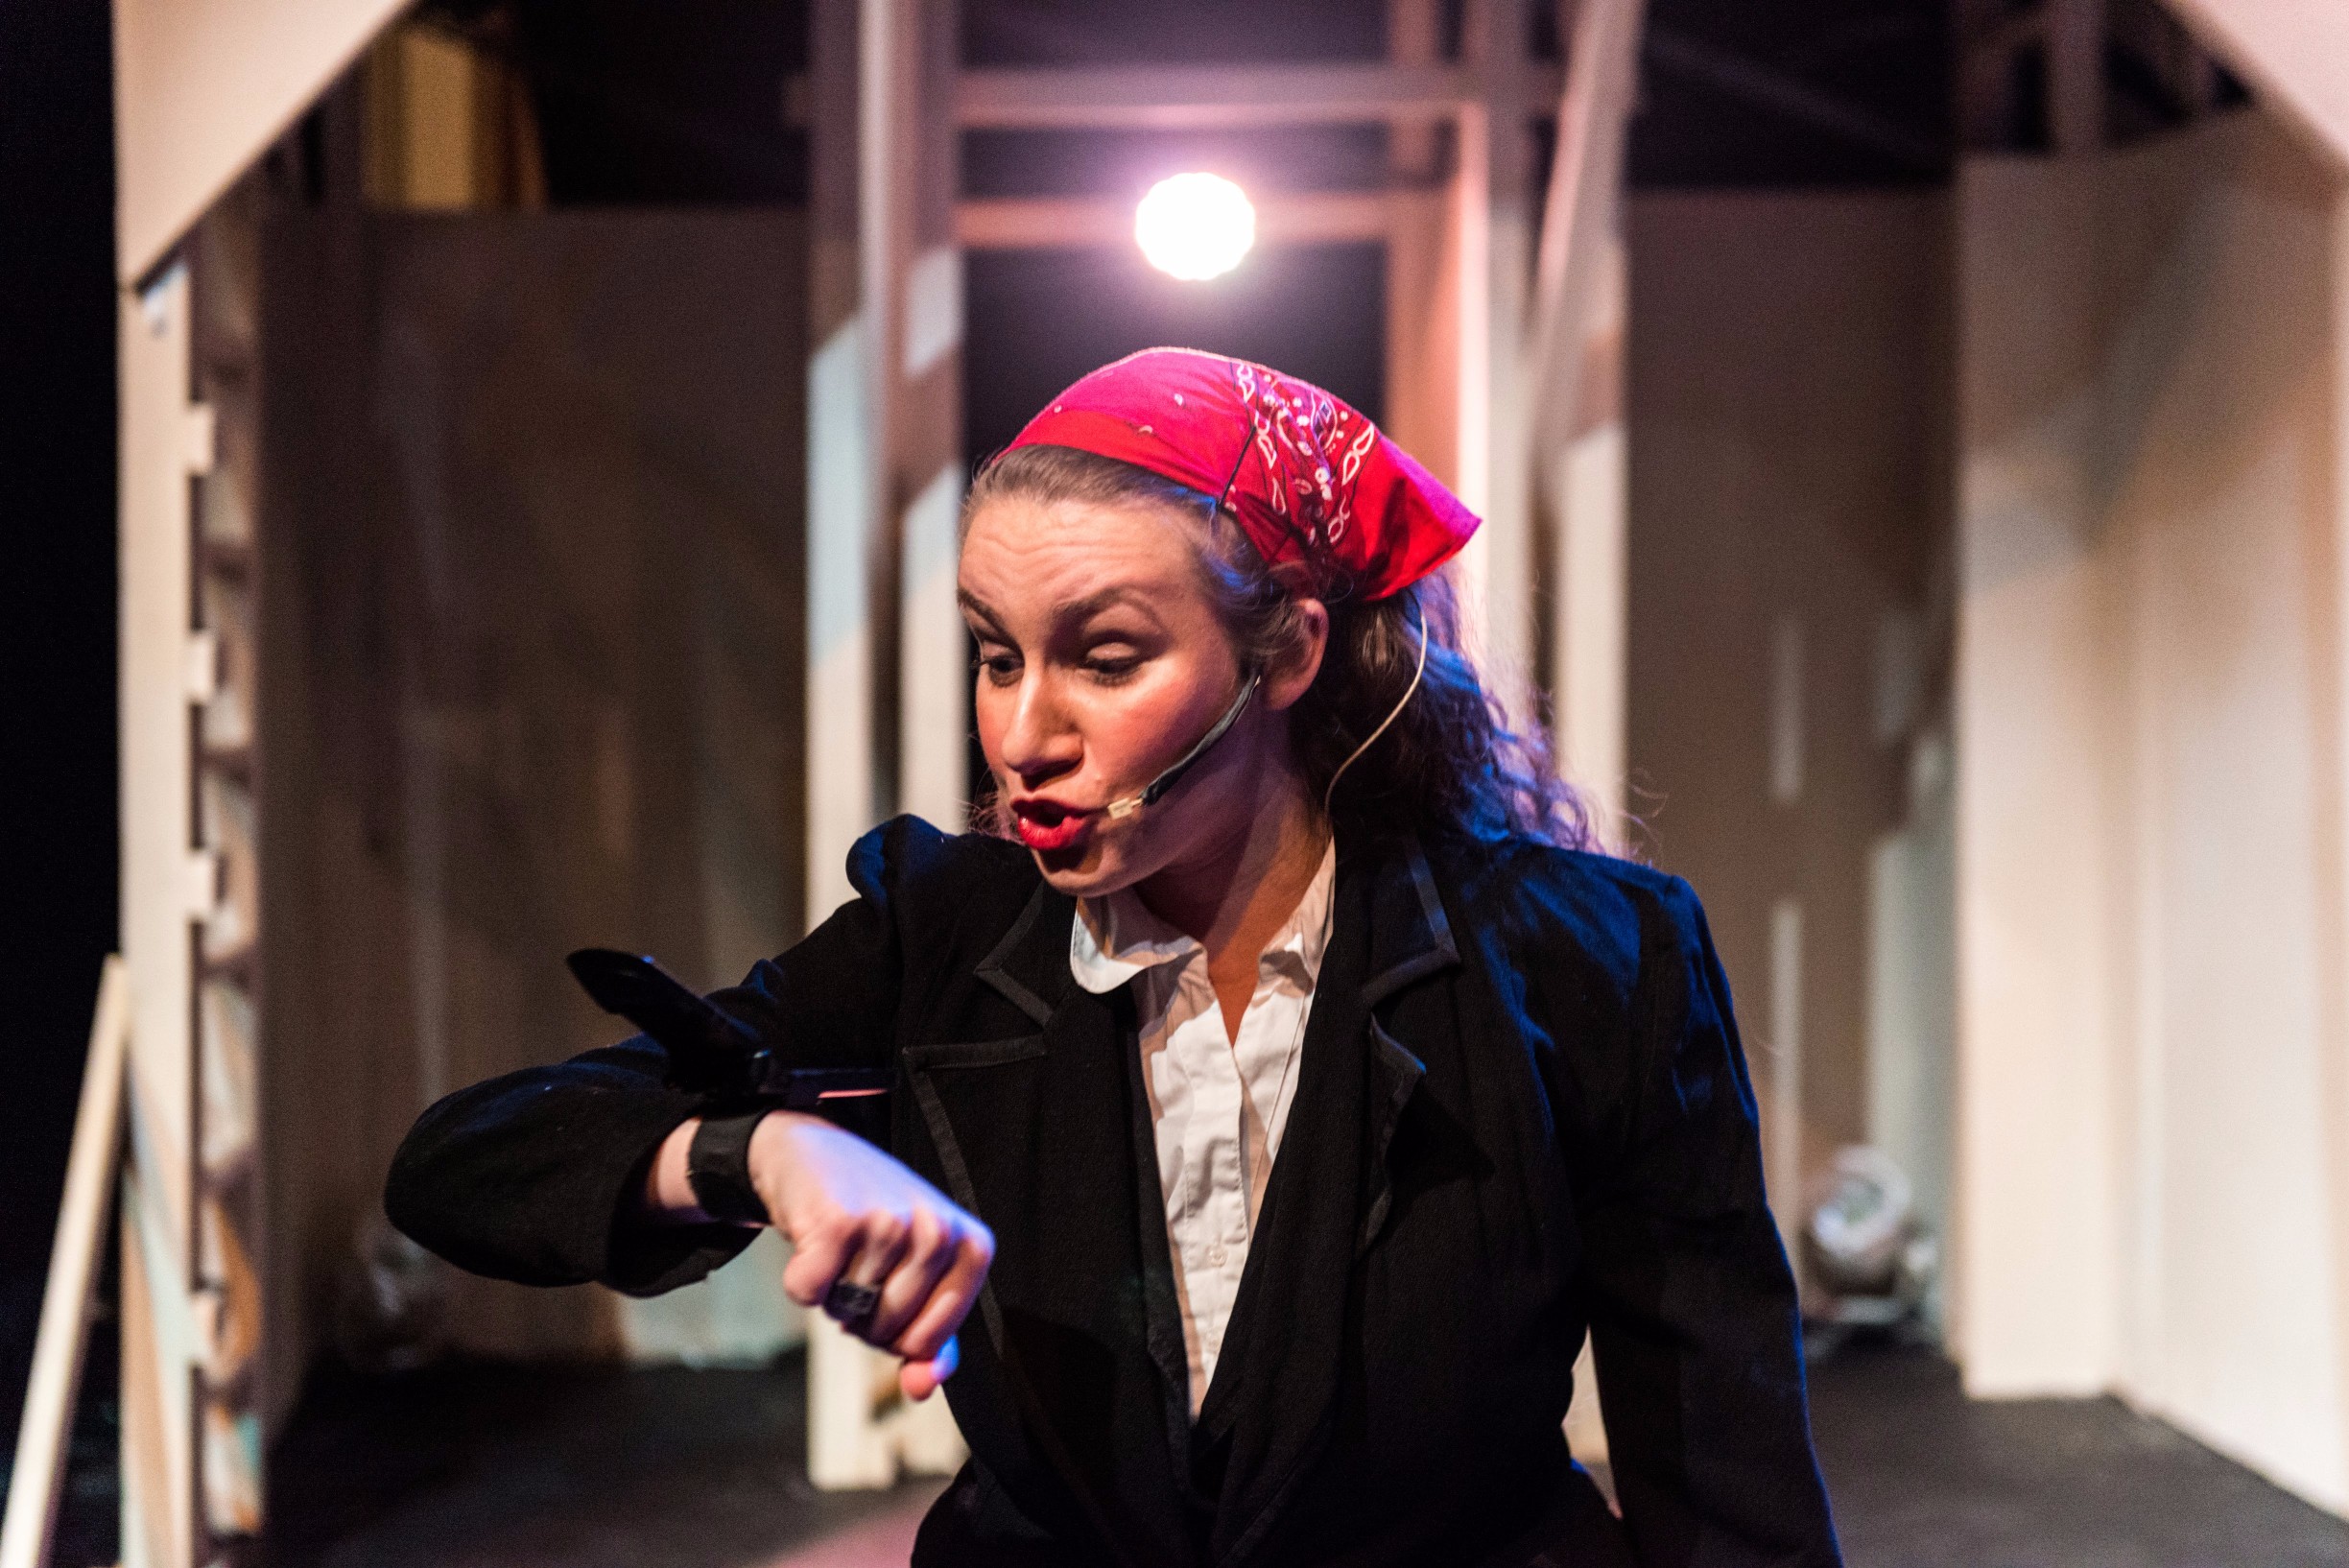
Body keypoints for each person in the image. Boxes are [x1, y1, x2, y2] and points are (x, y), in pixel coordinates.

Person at [386, 347, 1842, 1568]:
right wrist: (762, 1152)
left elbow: (1726, 1481)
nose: (1024, 734)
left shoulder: (1590, 961)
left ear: (1286, 656)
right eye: (996, 655)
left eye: (1106, 655)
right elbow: (464, 1163)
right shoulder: (944, 938)